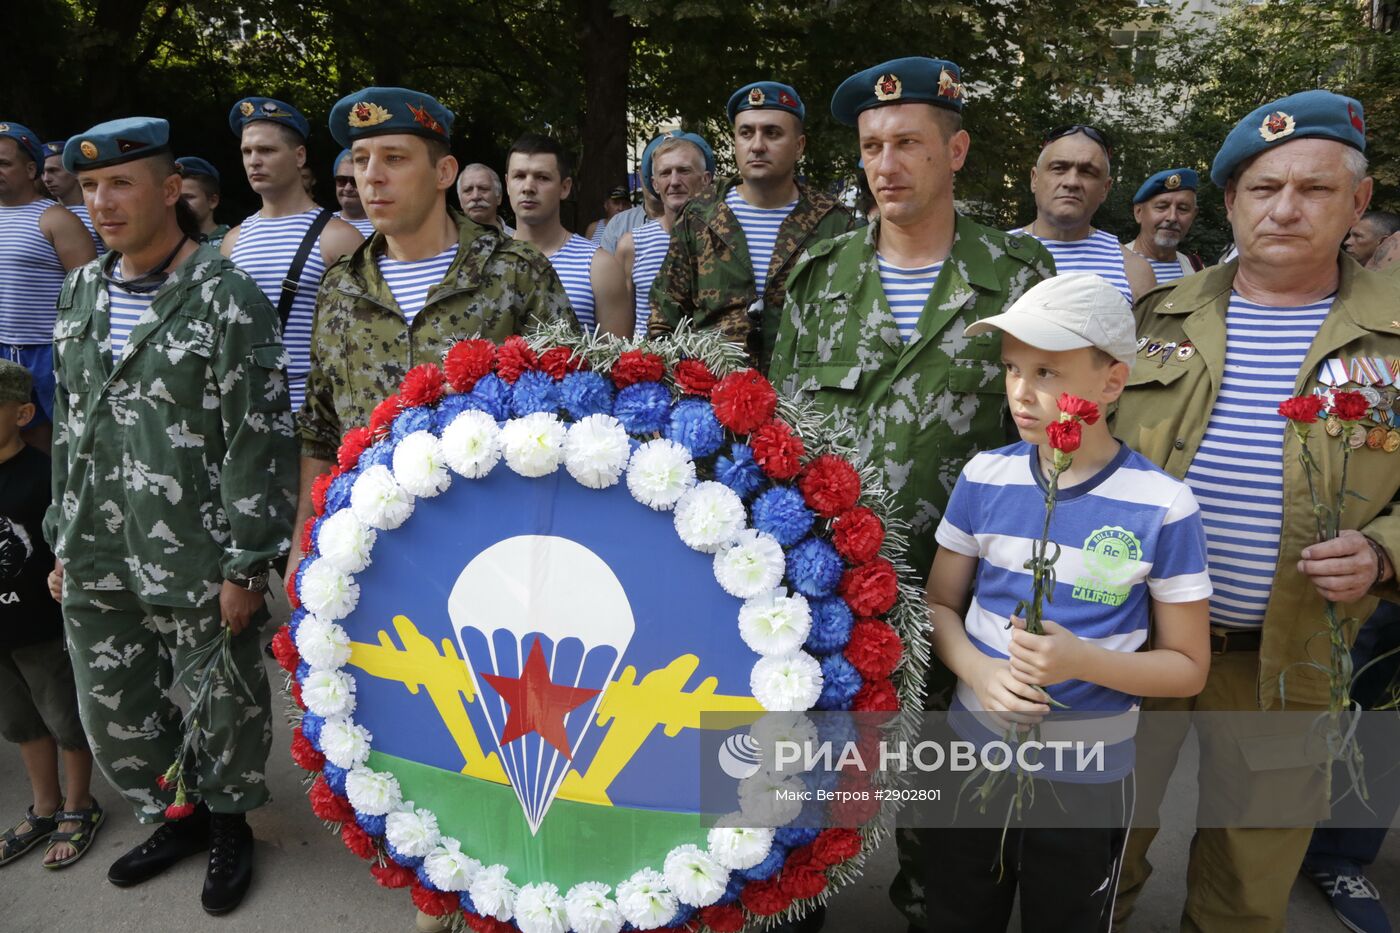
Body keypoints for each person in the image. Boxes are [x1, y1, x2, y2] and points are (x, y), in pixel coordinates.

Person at [767, 55, 1054, 930]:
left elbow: (1049, 445)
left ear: (956, 150)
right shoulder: (819, 276)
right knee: (801, 785)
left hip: (960, 596)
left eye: (910, 143)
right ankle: (792, 905)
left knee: (946, 809)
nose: (887, 164)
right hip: (824, 598)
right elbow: (777, 439)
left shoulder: (1017, 275)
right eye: (872, 145)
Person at [1112, 89, 1400, 932]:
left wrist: (1384, 551)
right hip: (1137, 637)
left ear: (1357, 203)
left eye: (1314, 189)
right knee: (1100, 844)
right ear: (1232, 202)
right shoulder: (1154, 318)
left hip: (1292, 655)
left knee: (1249, 880)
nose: (1284, 208)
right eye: (1263, 188)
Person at [48, 117, 295, 914]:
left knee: (222, 700)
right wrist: (61, 535)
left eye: (120, 184)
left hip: (196, 549)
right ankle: (173, 812)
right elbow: (68, 425)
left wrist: (247, 562)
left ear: (170, 191)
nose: (102, 202)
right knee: (112, 705)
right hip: (95, 546)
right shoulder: (82, 289)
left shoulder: (227, 298)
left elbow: (257, 439)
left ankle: (229, 823)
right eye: (88, 188)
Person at [923, 272, 1211, 932]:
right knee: (956, 912)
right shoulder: (983, 476)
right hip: (971, 757)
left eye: (1049, 371)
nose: (1023, 391)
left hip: (1087, 776)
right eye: (1013, 368)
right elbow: (940, 603)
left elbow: (1187, 665)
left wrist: (1082, 659)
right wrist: (980, 670)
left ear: (1113, 381)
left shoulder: (1163, 505)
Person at [291, 85, 575, 579]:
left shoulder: (513, 272)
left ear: (444, 172)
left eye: (394, 158)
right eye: (360, 160)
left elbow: (568, 405)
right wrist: (305, 541)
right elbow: (320, 431)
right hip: (368, 557)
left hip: (494, 551)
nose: (371, 176)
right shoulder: (340, 287)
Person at [649, 80, 857, 370]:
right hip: (712, 399)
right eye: (746, 133)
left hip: (804, 400)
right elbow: (665, 316)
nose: (757, 145)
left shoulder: (835, 222)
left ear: (799, 146)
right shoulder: (699, 217)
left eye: (772, 133)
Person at [0, 360, 101, 871]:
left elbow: (64, 548)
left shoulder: (43, 477)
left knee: (64, 717)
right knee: (20, 723)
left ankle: (79, 803)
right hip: (1, 638)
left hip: (42, 627)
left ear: (21, 413)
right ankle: (43, 806)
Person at [220, 96, 362, 414]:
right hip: (244, 412)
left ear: (299, 156)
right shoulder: (233, 241)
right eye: (247, 151)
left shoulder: (338, 237)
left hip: (313, 414)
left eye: (267, 150)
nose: (254, 161)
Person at [0, 122, 97, 453]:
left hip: (46, 352)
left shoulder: (57, 219)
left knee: (53, 443)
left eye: (4, 163)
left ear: (31, 169)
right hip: (1, 346)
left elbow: (90, 295)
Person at [1011, 125, 1155, 303]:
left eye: (1087, 172)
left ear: (1105, 188)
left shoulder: (1134, 271)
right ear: (1035, 179)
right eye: (1059, 168)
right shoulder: (993, 253)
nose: (1071, 182)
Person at [506, 133, 629, 335]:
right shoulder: (487, 261)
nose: (528, 187)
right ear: (507, 184)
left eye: (542, 177)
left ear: (565, 188)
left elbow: (617, 362)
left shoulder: (599, 266)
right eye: (519, 176)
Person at [616, 131, 713, 337]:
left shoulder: (724, 240)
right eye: (665, 173)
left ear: (706, 179)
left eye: (684, 171)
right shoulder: (632, 245)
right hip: (648, 365)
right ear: (655, 183)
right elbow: (621, 331)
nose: (675, 181)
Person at [1126, 168, 1203, 284]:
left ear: (1193, 215)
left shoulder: (1197, 269)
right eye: (1162, 207)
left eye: (1183, 209)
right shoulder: (1113, 264)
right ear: (1139, 212)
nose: (1172, 217)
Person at [41, 140, 103, 253]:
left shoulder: (97, 210)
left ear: (75, 172)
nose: (46, 179)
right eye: (42, 172)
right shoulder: (43, 214)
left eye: (53, 171)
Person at [174, 156, 230, 246]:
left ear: (212, 201)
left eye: (188, 197)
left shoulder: (233, 242)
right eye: (175, 197)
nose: (179, 203)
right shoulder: (169, 243)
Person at [598, 179, 662, 253]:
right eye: (616, 203)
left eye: (624, 204)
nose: (620, 208)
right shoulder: (615, 224)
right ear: (606, 205)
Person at [456, 163, 514, 235]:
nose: (475, 196)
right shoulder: (447, 243)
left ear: (499, 197)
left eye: (483, 188)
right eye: (468, 190)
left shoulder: (519, 240)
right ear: (460, 200)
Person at [330, 148, 375, 236]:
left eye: (354, 181)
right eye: (341, 180)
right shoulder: (322, 223)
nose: (347, 188)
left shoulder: (385, 228)